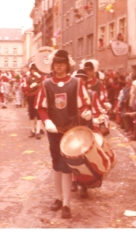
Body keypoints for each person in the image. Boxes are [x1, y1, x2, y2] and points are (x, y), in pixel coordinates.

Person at [35, 50, 92, 219]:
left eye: (62, 63)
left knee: (67, 166)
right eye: (56, 63)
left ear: (67, 64)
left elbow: (84, 103)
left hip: (71, 130)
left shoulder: (76, 83)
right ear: (52, 65)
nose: (59, 66)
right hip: (54, 130)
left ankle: (66, 203)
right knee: (56, 164)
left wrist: (86, 112)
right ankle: (58, 197)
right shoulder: (46, 84)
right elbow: (40, 106)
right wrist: (47, 121)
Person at [22, 62, 44, 140]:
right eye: (32, 69)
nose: (34, 71)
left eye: (35, 69)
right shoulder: (26, 78)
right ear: (30, 70)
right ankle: (33, 130)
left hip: (38, 97)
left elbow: (44, 83)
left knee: (39, 114)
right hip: (31, 97)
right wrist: (31, 86)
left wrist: (40, 77)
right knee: (31, 114)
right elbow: (24, 88)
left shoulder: (40, 77)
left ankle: (38, 131)